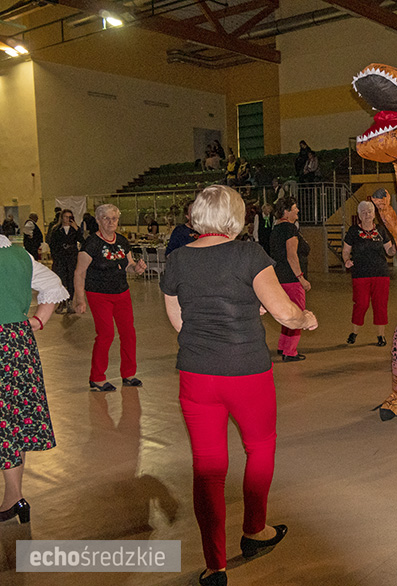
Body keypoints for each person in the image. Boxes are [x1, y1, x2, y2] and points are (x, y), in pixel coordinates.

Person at [160, 185, 317, 586]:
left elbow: (178, 317)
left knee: (208, 468)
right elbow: (284, 311)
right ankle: (255, 530)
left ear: (197, 215)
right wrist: (305, 318)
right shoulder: (249, 255)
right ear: (236, 216)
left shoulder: (177, 259)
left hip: (197, 375)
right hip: (247, 372)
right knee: (260, 448)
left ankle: (215, 567)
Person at [0, 231, 67, 523]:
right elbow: (53, 285)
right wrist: (38, 319)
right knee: (14, 419)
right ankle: (14, 496)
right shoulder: (18, 255)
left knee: (5, 423)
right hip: (17, 343)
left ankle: (13, 497)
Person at [73, 204, 147, 392]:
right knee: (106, 334)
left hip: (122, 292)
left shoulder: (122, 241)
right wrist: (80, 299)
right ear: (98, 221)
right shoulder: (91, 244)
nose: (111, 222)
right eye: (106, 218)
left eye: (114, 218)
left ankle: (129, 374)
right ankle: (97, 378)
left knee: (129, 333)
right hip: (99, 294)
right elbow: (80, 272)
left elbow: (128, 265)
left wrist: (136, 268)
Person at [342, 200, 396, 346]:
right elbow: (346, 251)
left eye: (369, 212)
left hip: (381, 273)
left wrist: (395, 248)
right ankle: (354, 332)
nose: (367, 215)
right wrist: (347, 260)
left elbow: (389, 251)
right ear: (359, 215)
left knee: (380, 305)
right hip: (360, 274)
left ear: (374, 214)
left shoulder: (381, 230)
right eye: (363, 212)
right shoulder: (353, 231)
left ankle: (381, 336)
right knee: (361, 304)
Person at [269, 196, 311, 362]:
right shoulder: (290, 229)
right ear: (286, 212)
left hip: (279, 277)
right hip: (291, 279)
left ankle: (282, 346)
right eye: (295, 208)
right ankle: (290, 351)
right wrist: (301, 278)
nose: (298, 210)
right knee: (296, 315)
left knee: (286, 312)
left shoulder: (276, 228)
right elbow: (291, 256)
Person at [49, 209, 84, 314]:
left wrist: (77, 229)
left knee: (71, 279)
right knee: (61, 280)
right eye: (65, 217)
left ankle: (69, 301)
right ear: (62, 218)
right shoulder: (56, 229)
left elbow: (82, 241)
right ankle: (62, 301)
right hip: (60, 258)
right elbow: (52, 244)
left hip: (71, 257)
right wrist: (55, 257)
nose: (67, 219)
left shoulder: (75, 229)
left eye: (70, 217)